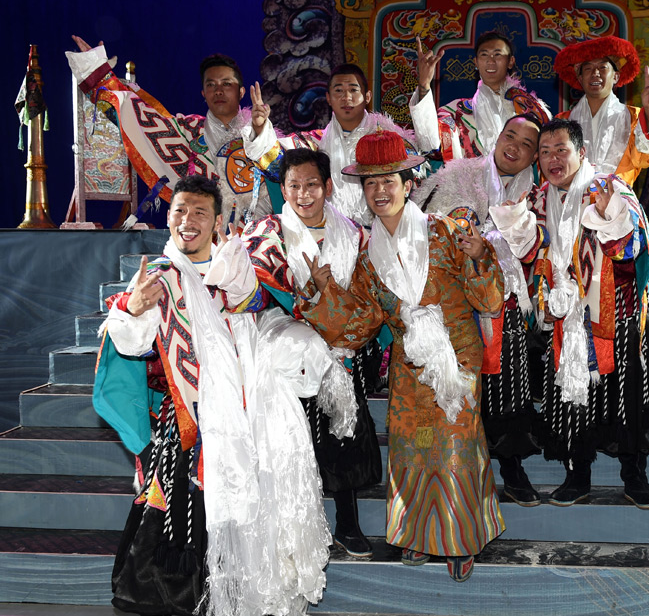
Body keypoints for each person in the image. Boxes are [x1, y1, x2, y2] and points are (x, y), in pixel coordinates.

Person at [92, 175, 330, 616]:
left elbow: (275, 317)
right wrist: (132, 310)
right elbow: (131, 343)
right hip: (186, 424)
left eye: (200, 212)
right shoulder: (158, 280)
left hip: (243, 419)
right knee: (178, 531)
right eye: (180, 211)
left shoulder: (238, 272)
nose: (188, 220)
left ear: (217, 222)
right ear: (169, 218)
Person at [301, 130, 506, 582]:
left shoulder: (448, 231)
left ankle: (458, 540)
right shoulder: (367, 257)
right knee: (413, 451)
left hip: (457, 363)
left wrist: (478, 258)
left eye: (388, 181)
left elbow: (490, 301)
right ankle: (418, 535)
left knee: (454, 451)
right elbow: (358, 323)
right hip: (409, 369)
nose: (379, 191)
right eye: (370, 183)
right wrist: (324, 291)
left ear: (409, 182)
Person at [489, 119, 649, 509]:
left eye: (561, 150)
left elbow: (632, 250)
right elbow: (529, 251)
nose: (553, 159)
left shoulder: (610, 187)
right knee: (573, 398)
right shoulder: (538, 198)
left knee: (628, 397)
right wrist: (514, 222)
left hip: (615, 314)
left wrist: (610, 217)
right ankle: (578, 476)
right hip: (567, 316)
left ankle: (634, 475)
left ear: (581, 153)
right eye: (545, 152)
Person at [242, 147, 383, 558]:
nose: (303, 195)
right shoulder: (267, 233)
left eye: (311, 185)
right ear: (281, 189)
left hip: (341, 348)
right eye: (293, 186)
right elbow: (260, 297)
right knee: (293, 441)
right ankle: (294, 529)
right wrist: (310, 295)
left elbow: (366, 290)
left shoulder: (353, 233)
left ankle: (348, 522)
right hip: (289, 350)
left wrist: (339, 310)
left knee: (343, 434)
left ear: (328, 186)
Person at [412, 113, 544, 506]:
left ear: (534, 156)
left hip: (505, 299)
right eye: (510, 135)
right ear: (496, 136)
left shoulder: (536, 191)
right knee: (453, 387)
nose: (514, 147)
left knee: (507, 387)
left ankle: (510, 467)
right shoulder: (460, 173)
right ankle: (448, 471)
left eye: (525, 144)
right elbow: (426, 226)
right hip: (455, 299)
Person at [67, 36, 280, 227]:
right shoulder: (187, 131)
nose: (219, 90)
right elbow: (133, 115)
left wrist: (261, 130)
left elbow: (282, 174)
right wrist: (96, 70)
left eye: (227, 83)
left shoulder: (261, 133)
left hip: (256, 238)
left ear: (241, 91)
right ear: (203, 94)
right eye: (211, 85)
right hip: (200, 236)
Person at [246, 63, 427, 226]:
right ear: (328, 98)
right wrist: (260, 127)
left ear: (367, 96)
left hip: (382, 231)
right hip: (329, 234)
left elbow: (416, 179)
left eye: (353, 90)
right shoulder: (313, 143)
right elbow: (277, 165)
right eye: (338, 91)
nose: (346, 97)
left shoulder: (388, 143)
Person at [410, 32, 551, 161]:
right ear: (476, 62)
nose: (491, 61)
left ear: (510, 61)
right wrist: (424, 84)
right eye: (484, 54)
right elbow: (429, 144)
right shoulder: (456, 111)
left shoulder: (531, 110)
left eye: (498, 54)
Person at [553, 36, 649, 186]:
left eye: (603, 67)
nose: (595, 73)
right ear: (580, 79)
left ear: (616, 76)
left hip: (618, 202)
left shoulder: (634, 117)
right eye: (588, 68)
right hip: (572, 203)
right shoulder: (562, 121)